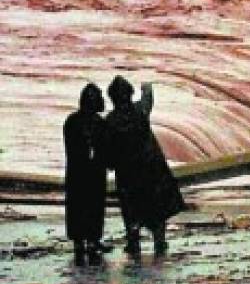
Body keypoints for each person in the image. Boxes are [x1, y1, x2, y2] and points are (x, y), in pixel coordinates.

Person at [104, 76, 184, 260]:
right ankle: (159, 241)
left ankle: (133, 243)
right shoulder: (140, 110)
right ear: (129, 94)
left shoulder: (110, 121)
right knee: (157, 209)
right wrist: (146, 85)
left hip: (127, 174)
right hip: (151, 169)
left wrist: (110, 164)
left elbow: (108, 151)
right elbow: (148, 97)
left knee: (131, 211)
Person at [64, 83, 108, 265]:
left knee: (80, 205)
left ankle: (83, 241)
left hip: (80, 171)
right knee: (91, 205)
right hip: (89, 171)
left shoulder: (73, 121)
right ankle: (90, 240)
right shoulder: (98, 123)